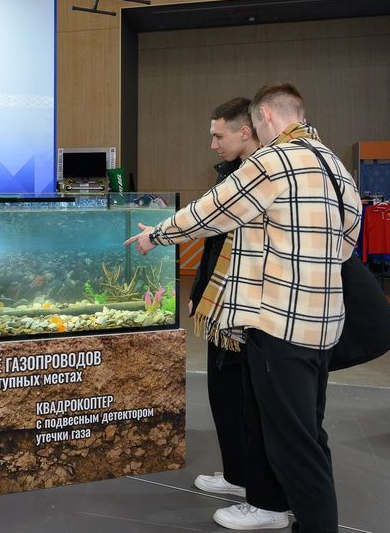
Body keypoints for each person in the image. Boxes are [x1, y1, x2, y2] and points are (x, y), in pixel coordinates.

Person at [127, 83, 361, 533]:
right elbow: (349, 240)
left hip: (279, 325)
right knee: (307, 430)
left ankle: (312, 522)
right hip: (324, 325)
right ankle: (275, 506)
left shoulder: (273, 161)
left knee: (292, 441)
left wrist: (156, 235)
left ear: (266, 117)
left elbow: (212, 211)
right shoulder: (335, 165)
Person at [189, 98, 291, 530]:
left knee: (254, 404)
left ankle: (265, 497)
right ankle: (237, 476)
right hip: (222, 306)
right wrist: (199, 291)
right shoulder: (229, 172)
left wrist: (158, 235)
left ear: (245, 130)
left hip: (255, 310)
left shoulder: (265, 173)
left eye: (219, 136)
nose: (213, 144)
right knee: (224, 392)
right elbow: (213, 241)